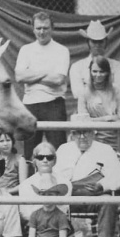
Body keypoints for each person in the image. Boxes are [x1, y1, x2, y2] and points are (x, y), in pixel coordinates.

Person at [54, 114, 120, 237]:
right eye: (77, 132)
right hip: (69, 198)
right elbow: (55, 177)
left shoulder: (106, 150)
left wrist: (102, 186)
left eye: (86, 131)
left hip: (95, 197)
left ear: (94, 132)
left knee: (107, 200)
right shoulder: (63, 149)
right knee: (56, 202)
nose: (82, 136)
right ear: (72, 134)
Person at [15, 11, 70, 159]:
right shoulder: (25, 50)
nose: (42, 32)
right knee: (30, 153)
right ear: (33, 29)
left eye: (45, 28)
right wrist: (46, 72)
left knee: (59, 151)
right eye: (38, 28)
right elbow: (20, 76)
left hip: (54, 104)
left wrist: (32, 76)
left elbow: (58, 79)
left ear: (52, 28)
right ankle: (29, 182)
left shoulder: (62, 51)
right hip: (30, 104)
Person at [76, 55, 120, 152]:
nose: (98, 75)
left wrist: (96, 120)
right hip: (92, 141)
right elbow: (83, 121)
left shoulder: (116, 91)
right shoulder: (83, 92)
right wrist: (109, 118)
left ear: (107, 72)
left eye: (102, 71)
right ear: (90, 72)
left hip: (113, 141)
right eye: (95, 71)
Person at [69, 20, 120, 104]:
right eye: (94, 41)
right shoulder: (77, 67)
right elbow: (77, 93)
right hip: (86, 109)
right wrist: (106, 89)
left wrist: (89, 88)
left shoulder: (116, 65)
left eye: (100, 41)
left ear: (106, 42)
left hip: (111, 109)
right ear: (88, 42)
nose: (97, 45)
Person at [18, 142, 72, 223]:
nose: (45, 160)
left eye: (49, 157)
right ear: (34, 160)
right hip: (34, 225)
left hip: (57, 224)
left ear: (54, 160)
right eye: (40, 157)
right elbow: (25, 213)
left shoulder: (65, 183)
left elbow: (64, 209)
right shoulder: (25, 185)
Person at [0, 130, 28, 195]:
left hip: (13, 196)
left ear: (13, 141)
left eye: (8, 140)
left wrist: (6, 192)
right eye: (1, 141)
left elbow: (23, 185)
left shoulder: (20, 159)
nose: (5, 144)